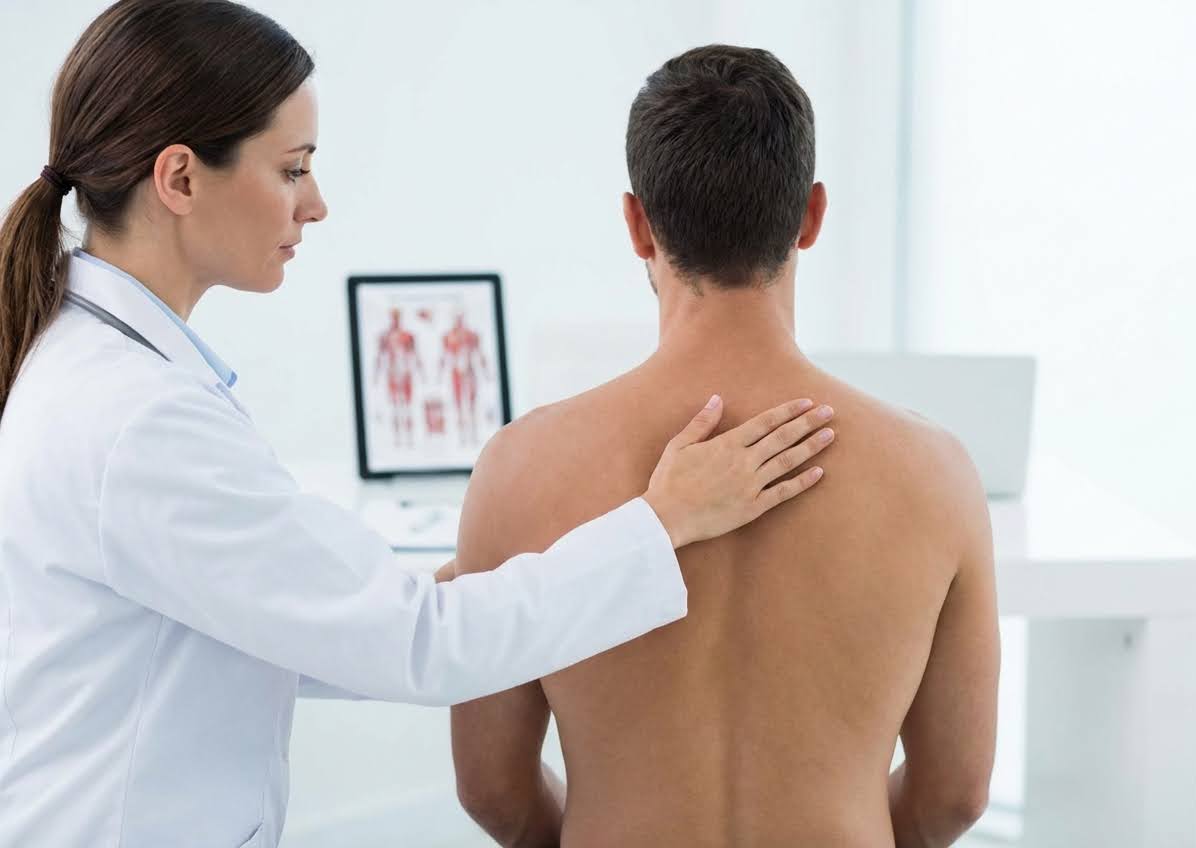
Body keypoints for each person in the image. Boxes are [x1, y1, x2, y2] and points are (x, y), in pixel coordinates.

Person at [0, 6, 836, 846]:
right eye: (292, 170)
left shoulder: (107, 378)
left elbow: (305, 617)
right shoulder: (136, 420)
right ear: (179, 179)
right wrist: (663, 523)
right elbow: (414, 647)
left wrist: (483, 577)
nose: (316, 205)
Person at [450, 45, 1000, 848]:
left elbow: (495, 792)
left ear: (638, 225)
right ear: (810, 216)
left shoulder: (519, 470)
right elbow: (954, 798)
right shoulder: (935, 474)